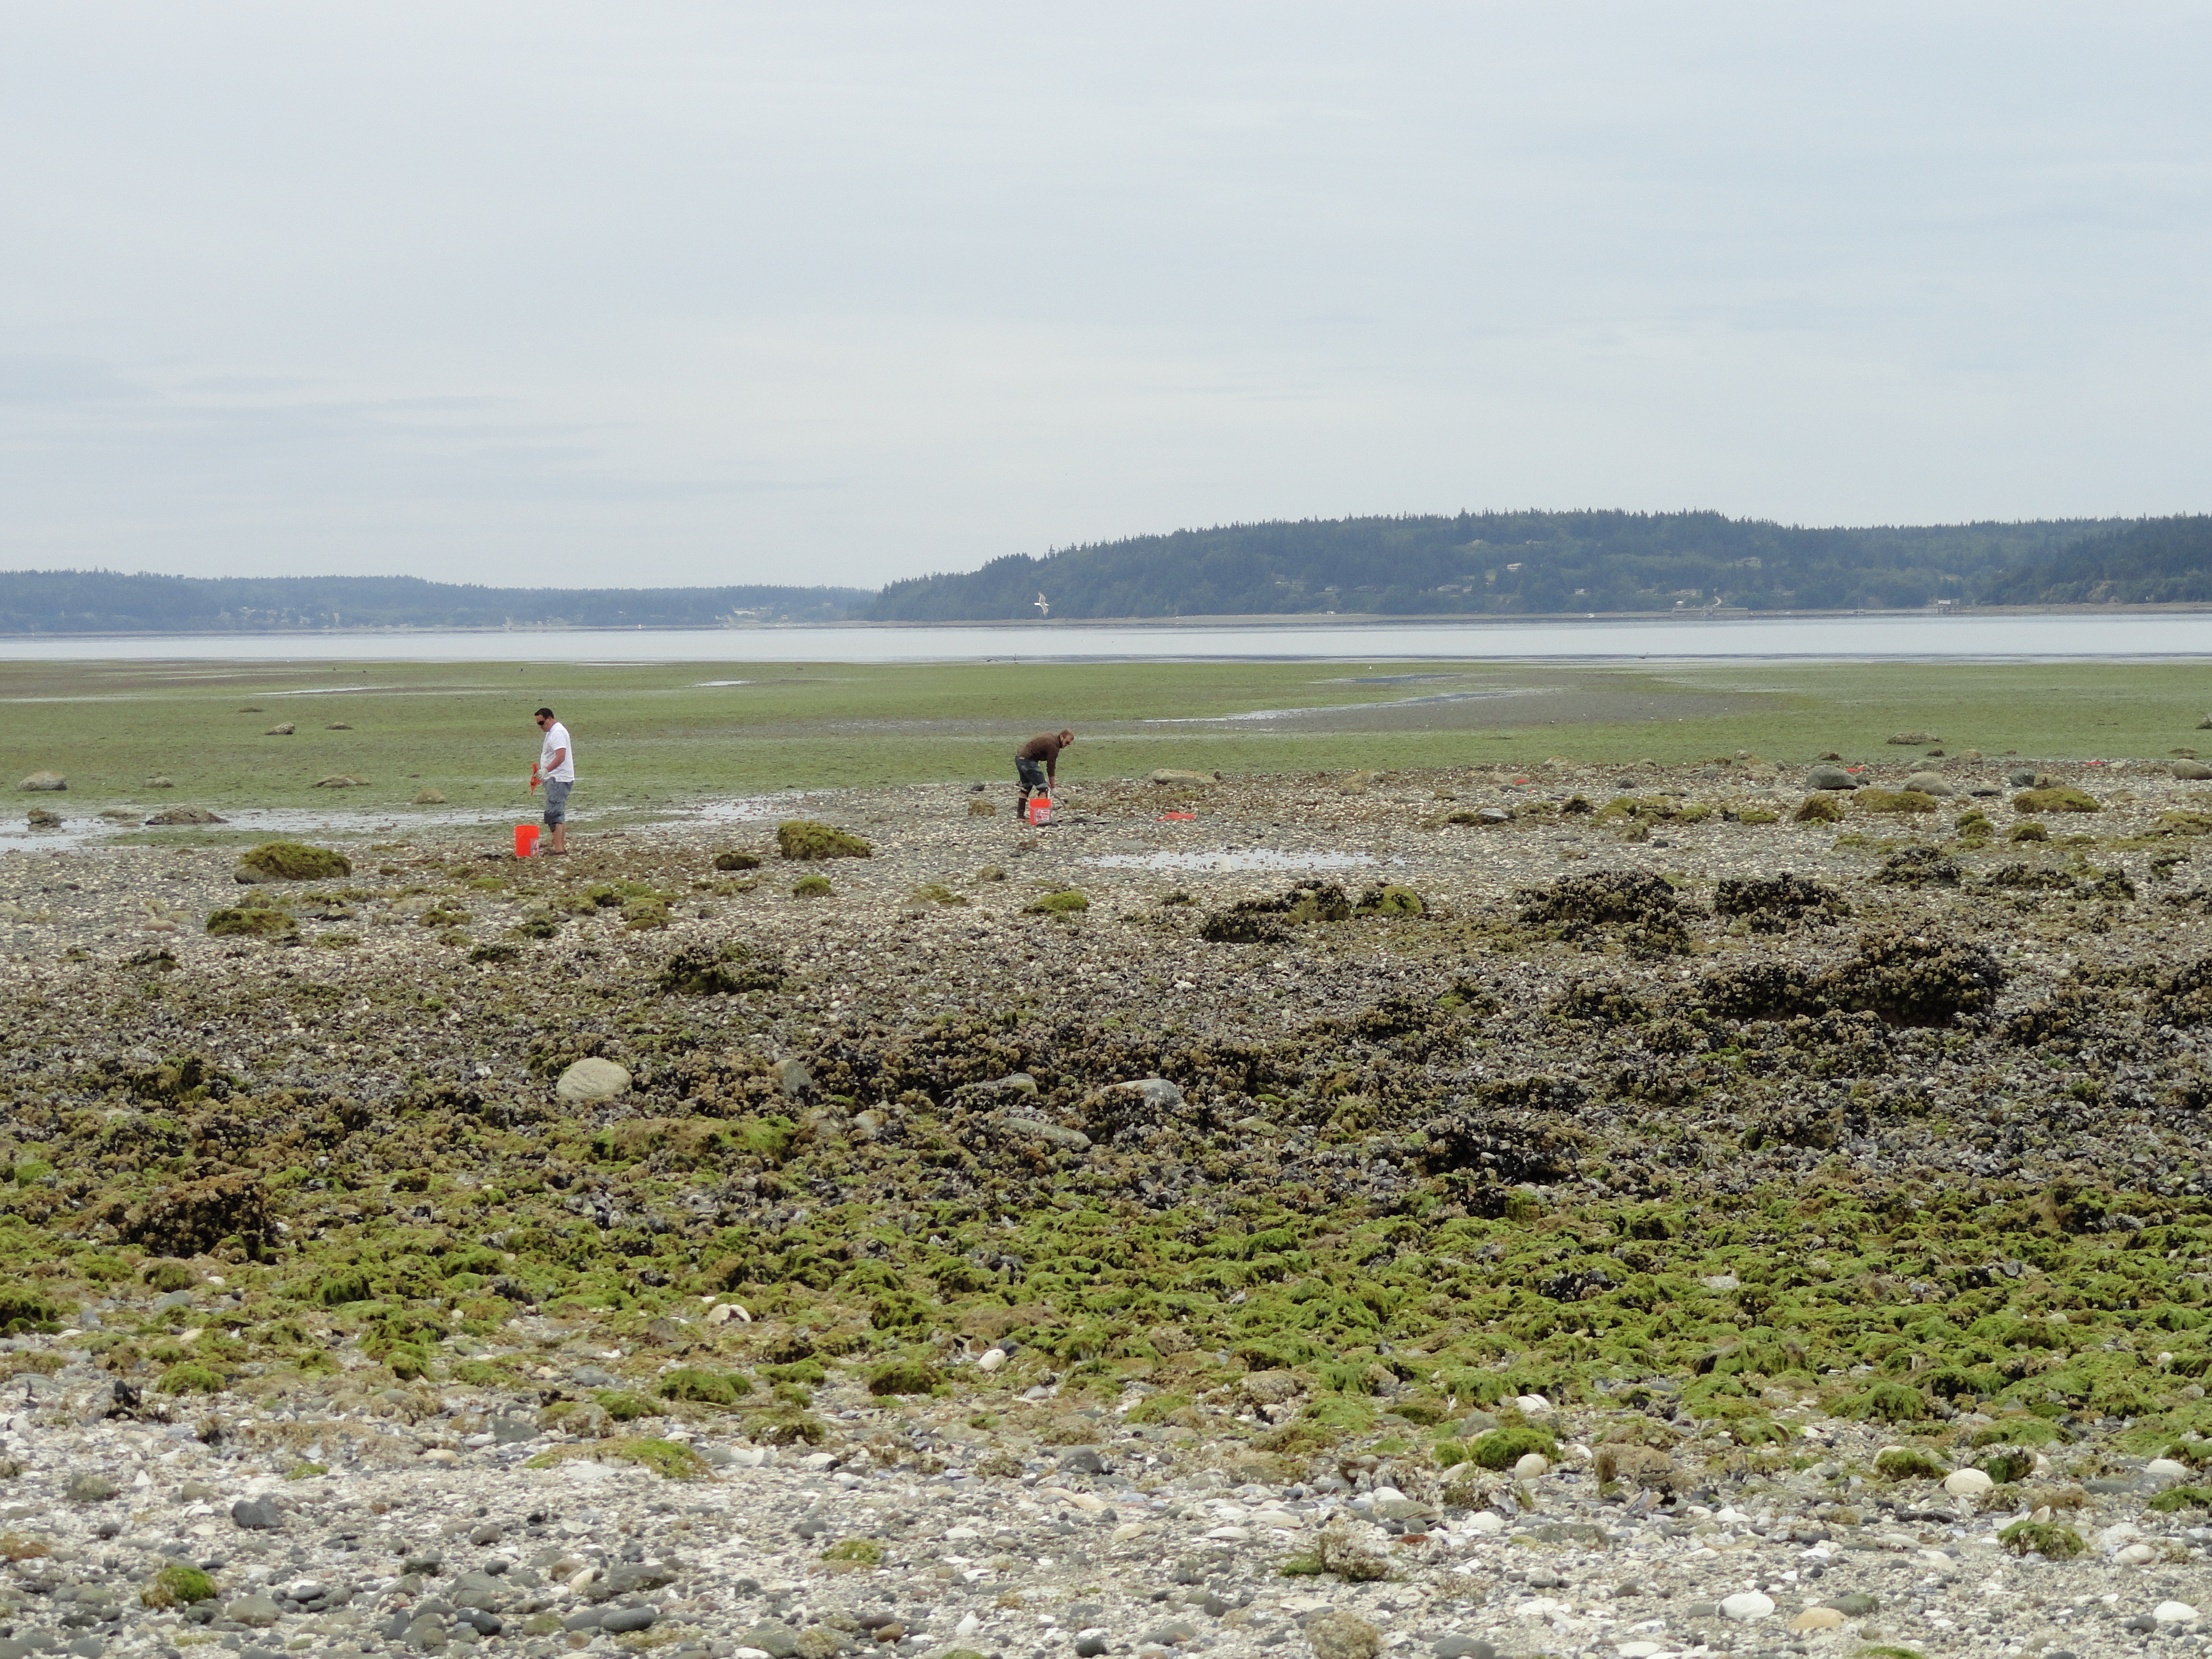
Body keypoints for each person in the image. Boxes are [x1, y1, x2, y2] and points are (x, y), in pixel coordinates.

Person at [530, 707, 575, 854]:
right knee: (558, 812)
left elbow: (561, 756)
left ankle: (559, 849)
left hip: (559, 778)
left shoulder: (557, 732)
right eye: (538, 724)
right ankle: (560, 846)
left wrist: (546, 770)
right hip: (555, 778)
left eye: (542, 723)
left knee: (553, 813)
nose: (541, 727)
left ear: (549, 718)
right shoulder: (552, 732)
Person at [1014, 729, 1073, 814]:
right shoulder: (1054, 746)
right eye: (1067, 742)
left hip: (1019, 759)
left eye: (1069, 744)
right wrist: (1053, 788)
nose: (1067, 745)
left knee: (1027, 787)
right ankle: (1041, 817)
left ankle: (1020, 816)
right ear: (1061, 737)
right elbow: (1051, 767)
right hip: (1028, 761)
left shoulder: (1051, 737)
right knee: (1043, 788)